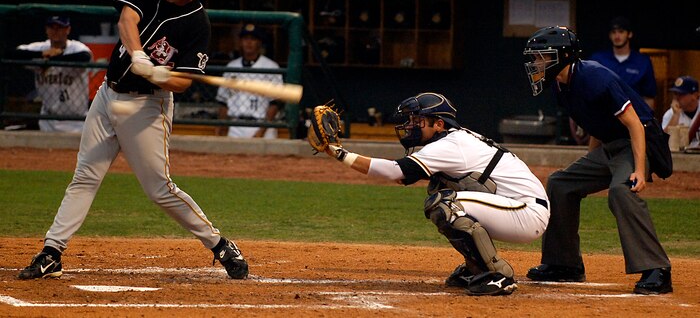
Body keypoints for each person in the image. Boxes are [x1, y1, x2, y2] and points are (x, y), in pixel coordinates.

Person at [17, 0, 249, 281]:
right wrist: (139, 55)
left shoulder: (198, 23)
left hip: (147, 107)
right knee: (85, 176)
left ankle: (220, 244)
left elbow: (184, 82)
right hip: (108, 94)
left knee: (159, 189)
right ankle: (52, 252)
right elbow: (127, 18)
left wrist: (158, 75)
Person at [317, 92, 550, 296]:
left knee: (445, 205)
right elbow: (403, 177)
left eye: (418, 120)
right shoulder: (454, 140)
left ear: (439, 124)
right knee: (439, 189)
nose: (410, 125)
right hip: (516, 208)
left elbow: (393, 171)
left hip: (525, 212)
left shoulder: (451, 145)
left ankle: (499, 274)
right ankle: (476, 267)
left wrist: (338, 153)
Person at [522, 26, 672, 295]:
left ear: (561, 56)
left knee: (621, 190)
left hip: (638, 142)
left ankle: (657, 269)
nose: (536, 63)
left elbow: (635, 125)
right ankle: (564, 264)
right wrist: (591, 163)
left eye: (541, 56)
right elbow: (595, 122)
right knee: (561, 183)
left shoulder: (594, 77)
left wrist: (639, 169)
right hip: (610, 146)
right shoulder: (560, 85)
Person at [11, 16, 93, 133]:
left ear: (68, 30)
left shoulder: (76, 47)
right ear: (46, 29)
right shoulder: (41, 47)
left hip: (76, 121)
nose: (55, 31)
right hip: (47, 120)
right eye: (51, 27)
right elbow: (12, 54)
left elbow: (85, 57)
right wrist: (42, 54)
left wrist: (54, 57)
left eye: (60, 27)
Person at [216, 23, 283, 138]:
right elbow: (223, 102)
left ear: (260, 42)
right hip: (235, 125)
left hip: (262, 124)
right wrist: (220, 128)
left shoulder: (271, 67)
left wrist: (261, 131)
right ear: (240, 42)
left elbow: (275, 104)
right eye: (245, 39)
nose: (248, 42)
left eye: (253, 39)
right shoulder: (231, 67)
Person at [590, 16, 657, 110]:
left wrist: (647, 121)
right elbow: (588, 91)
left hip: (634, 116)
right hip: (604, 115)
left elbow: (649, 97)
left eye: (621, 32)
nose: (617, 36)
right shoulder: (598, 60)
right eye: (613, 32)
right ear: (609, 35)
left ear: (629, 34)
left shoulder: (643, 61)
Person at [661, 75, 699, 148]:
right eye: (675, 94)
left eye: (682, 94)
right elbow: (663, 141)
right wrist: (676, 115)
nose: (677, 97)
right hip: (679, 157)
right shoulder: (670, 114)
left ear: (694, 95)